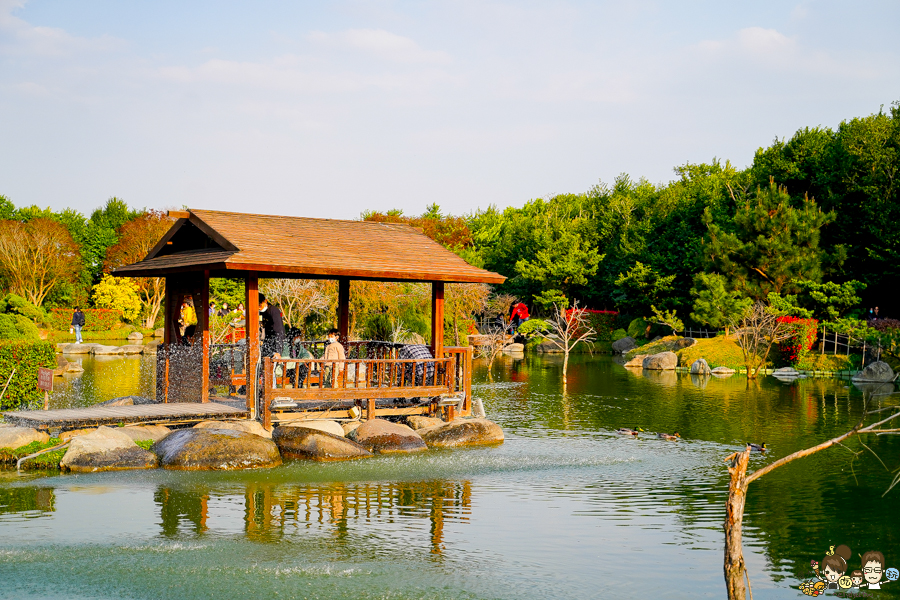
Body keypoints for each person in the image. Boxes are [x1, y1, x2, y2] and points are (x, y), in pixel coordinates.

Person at [258, 293, 286, 358]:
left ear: (265, 301)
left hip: (277, 342)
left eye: (260, 305)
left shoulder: (274, 311)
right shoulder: (261, 312)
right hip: (268, 340)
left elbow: (279, 331)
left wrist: (278, 351)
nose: (259, 308)